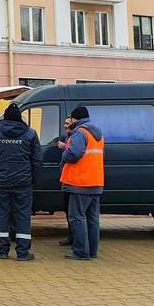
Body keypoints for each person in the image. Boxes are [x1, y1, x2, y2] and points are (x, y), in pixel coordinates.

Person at [0, 104, 41, 260]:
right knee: (23, 215)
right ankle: (23, 252)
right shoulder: (30, 133)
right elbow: (37, 160)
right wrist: (34, 180)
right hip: (24, 182)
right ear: (20, 118)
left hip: (1, 182)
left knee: (2, 214)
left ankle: (3, 251)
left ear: (5, 118)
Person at [59, 106, 105, 260]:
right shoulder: (97, 133)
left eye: (71, 119)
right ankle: (92, 251)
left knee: (77, 217)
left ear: (75, 119)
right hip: (96, 181)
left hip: (80, 182)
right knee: (92, 219)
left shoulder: (80, 132)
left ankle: (80, 252)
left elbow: (74, 153)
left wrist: (64, 152)